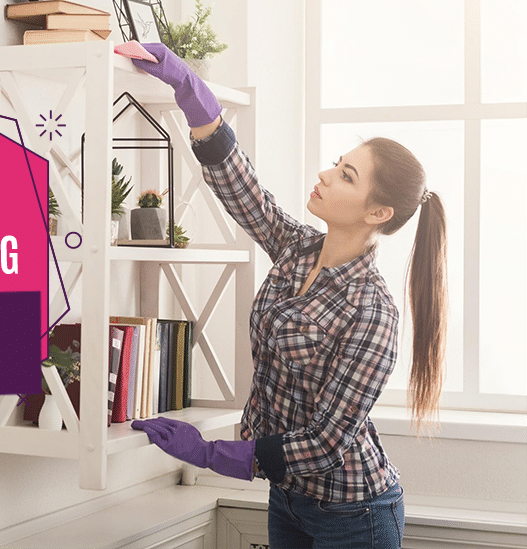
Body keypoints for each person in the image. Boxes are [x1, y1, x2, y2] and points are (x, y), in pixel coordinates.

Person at [126, 43, 449, 549]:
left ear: (378, 213)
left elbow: (326, 442)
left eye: (346, 175)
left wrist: (212, 454)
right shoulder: (297, 248)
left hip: (353, 511)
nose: (325, 174)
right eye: (336, 163)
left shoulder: (371, 311)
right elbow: (244, 191)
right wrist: (189, 89)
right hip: (287, 497)